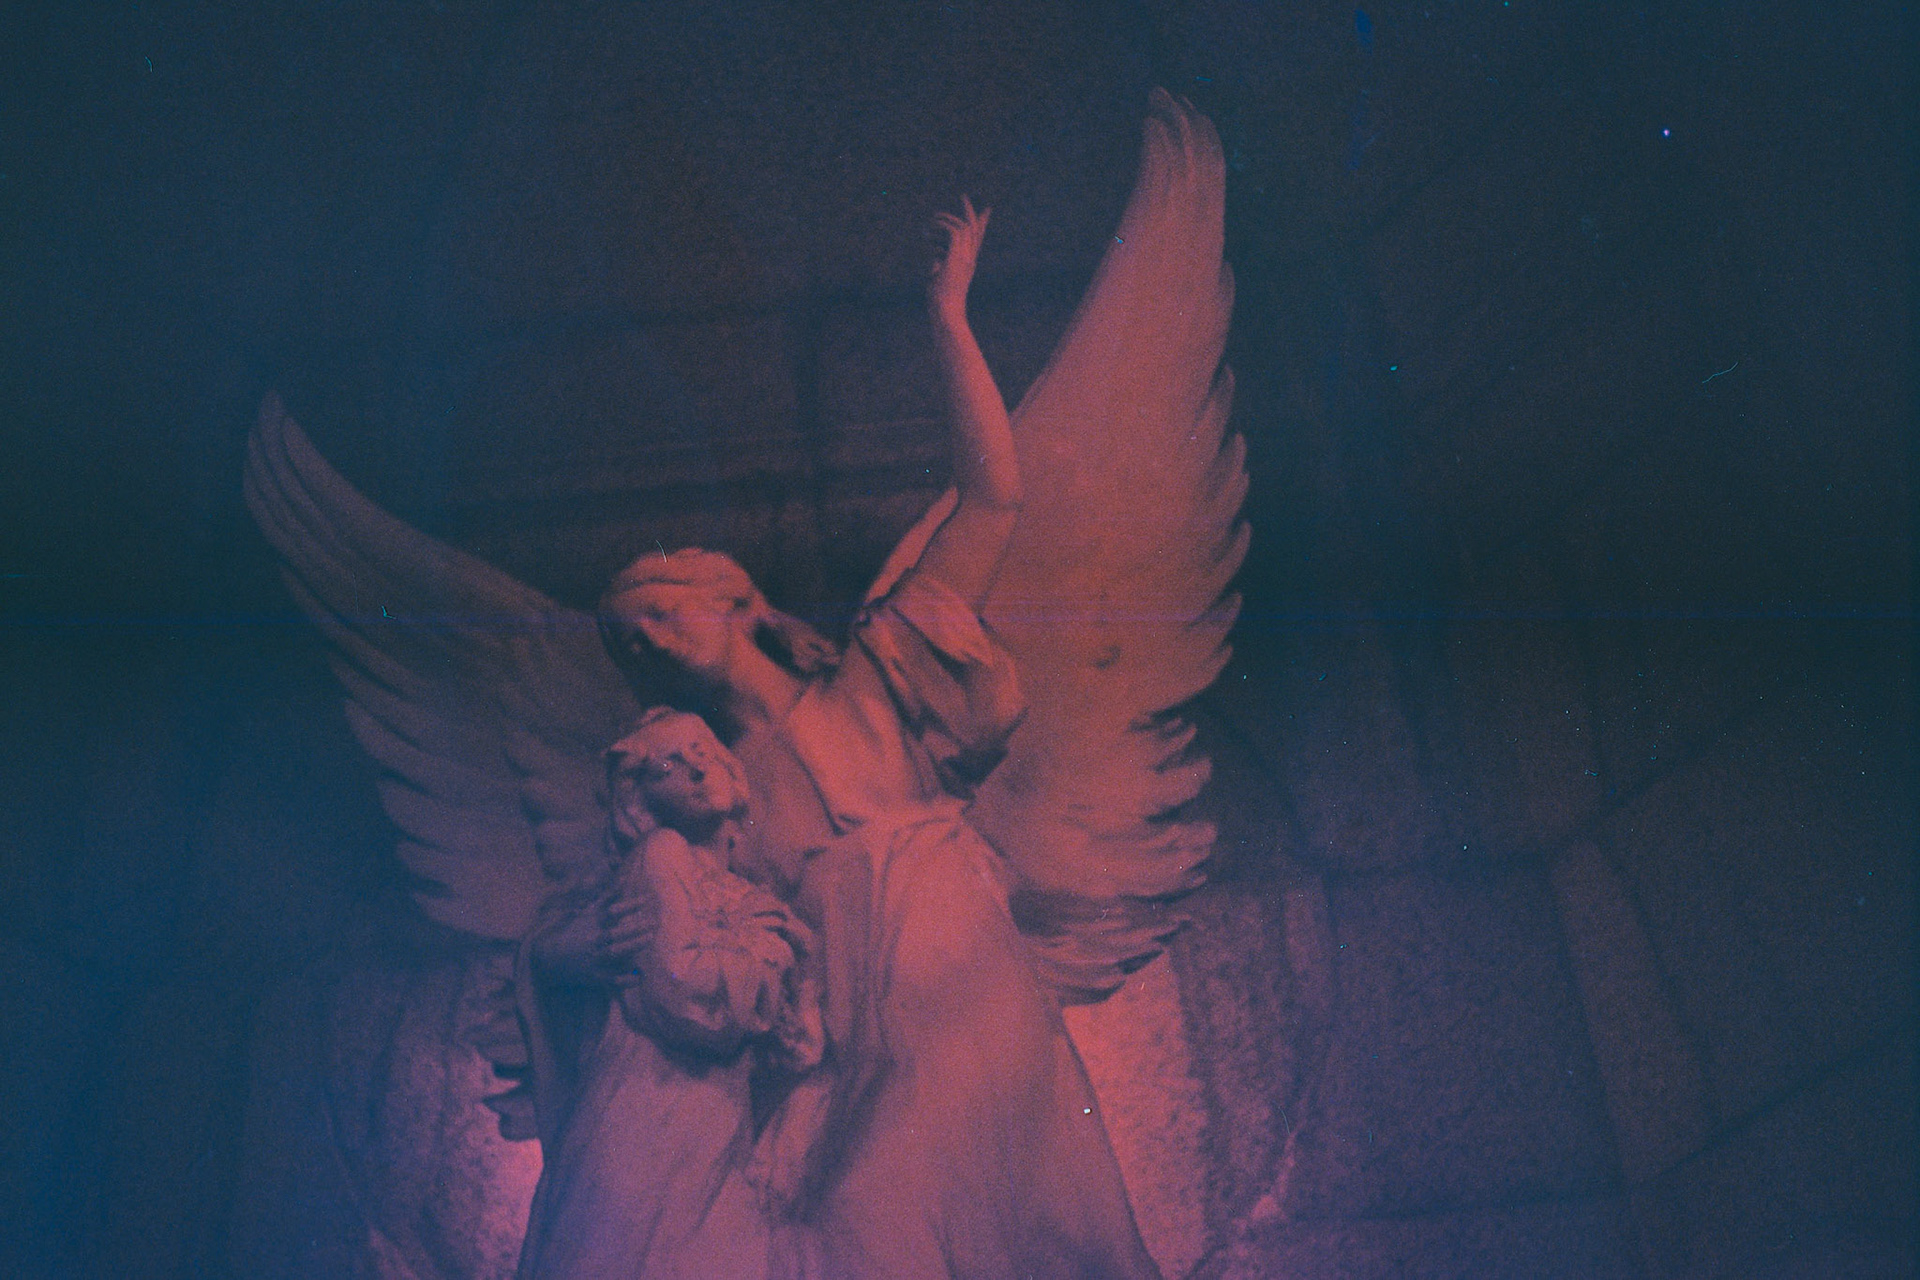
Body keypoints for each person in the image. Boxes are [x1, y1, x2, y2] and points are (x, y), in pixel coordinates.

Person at [595, 198, 1161, 1279]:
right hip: (842, 1039)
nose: (653, 639)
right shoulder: (710, 806)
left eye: (665, 608)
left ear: (737, 601)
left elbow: (992, 501)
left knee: (907, 1218)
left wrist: (948, 318)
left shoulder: (879, 676)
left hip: (953, 973)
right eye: (633, 640)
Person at [514, 709, 823, 1280]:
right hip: (645, 1120)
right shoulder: (662, 854)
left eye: (703, 752)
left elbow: (795, 1050)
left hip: (712, 1133)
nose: (695, 769)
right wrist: (765, 959)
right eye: (667, 767)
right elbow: (687, 996)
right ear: (640, 802)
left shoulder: (752, 902)